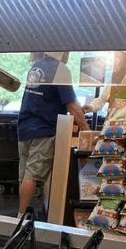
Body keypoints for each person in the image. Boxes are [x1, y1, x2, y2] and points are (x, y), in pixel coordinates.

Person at [16, 51, 88, 216]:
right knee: (32, 175)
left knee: (25, 175)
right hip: (43, 129)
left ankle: (23, 214)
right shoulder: (61, 69)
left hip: (25, 127)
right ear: (63, 52)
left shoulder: (37, 65)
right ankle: (20, 219)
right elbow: (73, 107)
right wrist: (87, 130)